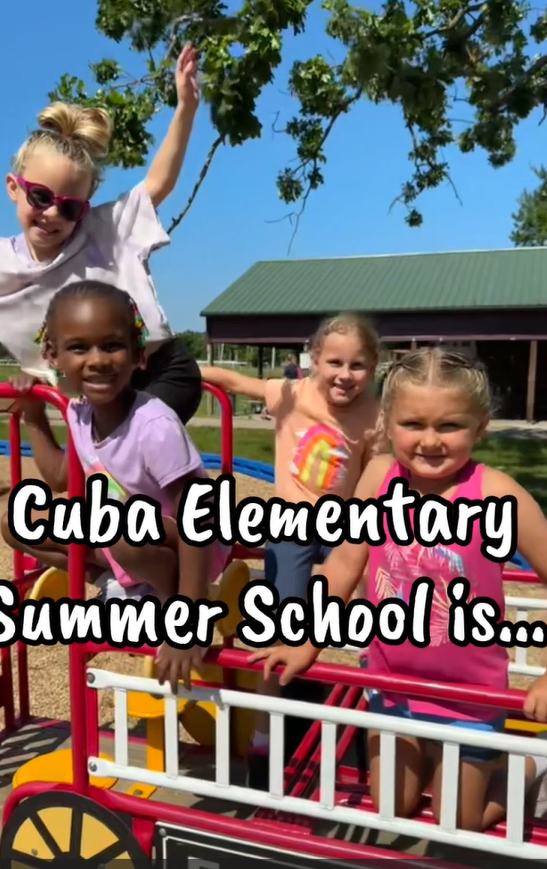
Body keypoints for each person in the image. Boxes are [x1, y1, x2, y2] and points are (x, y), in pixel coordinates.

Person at [249, 346, 547, 830]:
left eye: (449, 426)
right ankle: (442, 767)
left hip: (472, 696)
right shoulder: (378, 477)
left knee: (459, 820)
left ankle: (537, 762)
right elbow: (346, 561)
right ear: (387, 422)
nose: (430, 441)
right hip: (392, 682)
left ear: (481, 425)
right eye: (413, 424)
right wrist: (306, 634)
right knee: (392, 807)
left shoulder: (496, 493)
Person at [0, 45, 203, 426]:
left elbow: (158, 182)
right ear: (14, 188)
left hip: (159, 371)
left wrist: (186, 108)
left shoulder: (104, 229)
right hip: (97, 389)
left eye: (69, 207)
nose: (52, 214)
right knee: (88, 471)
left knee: (131, 448)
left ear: (85, 207)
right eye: (40, 196)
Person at [0, 279, 230, 688]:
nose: (98, 360)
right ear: (53, 355)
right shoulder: (78, 413)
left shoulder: (153, 425)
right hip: (128, 537)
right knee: (17, 522)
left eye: (111, 346)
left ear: (138, 353)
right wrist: (34, 415)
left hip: (191, 545)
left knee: (123, 530)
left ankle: (170, 598)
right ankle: (120, 584)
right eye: (79, 348)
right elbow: (59, 478)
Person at [200, 312, 383, 787]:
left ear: (374, 366)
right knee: (281, 630)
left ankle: (378, 712)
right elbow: (232, 380)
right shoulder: (292, 393)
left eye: (358, 365)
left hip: (342, 525)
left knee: (370, 605)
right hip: (292, 524)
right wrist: (175, 371)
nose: (345, 374)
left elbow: (374, 475)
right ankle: (264, 739)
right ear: (314, 360)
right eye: (335, 362)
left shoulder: (374, 415)